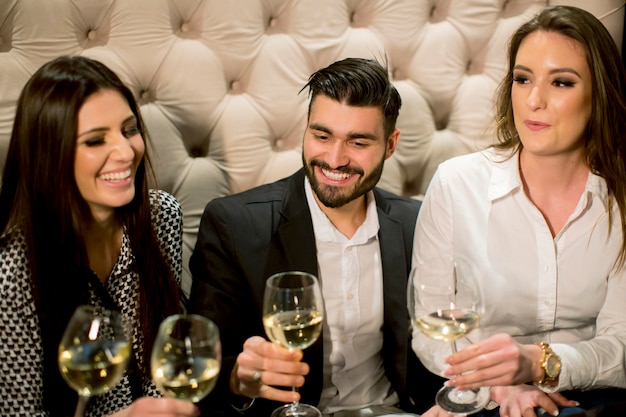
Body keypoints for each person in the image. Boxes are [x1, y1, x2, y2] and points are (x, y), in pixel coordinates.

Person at [188, 57, 441, 416]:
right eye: (322, 136)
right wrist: (237, 379)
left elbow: (445, 347)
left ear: (390, 144)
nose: (335, 159)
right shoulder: (233, 224)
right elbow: (203, 368)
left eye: (358, 142)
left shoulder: (420, 223)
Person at [412, 6, 626, 417]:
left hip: (597, 394)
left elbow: (621, 345)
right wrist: (497, 385)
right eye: (522, 78)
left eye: (561, 82)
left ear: (598, 93)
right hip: (481, 395)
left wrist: (541, 364)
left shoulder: (619, 200)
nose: (533, 100)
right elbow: (430, 330)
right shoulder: (456, 184)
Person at [0, 56, 199, 417]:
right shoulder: (12, 273)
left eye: (129, 130)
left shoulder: (160, 216)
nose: (125, 152)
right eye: (95, 141)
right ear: (50, 153)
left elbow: (163, 361)